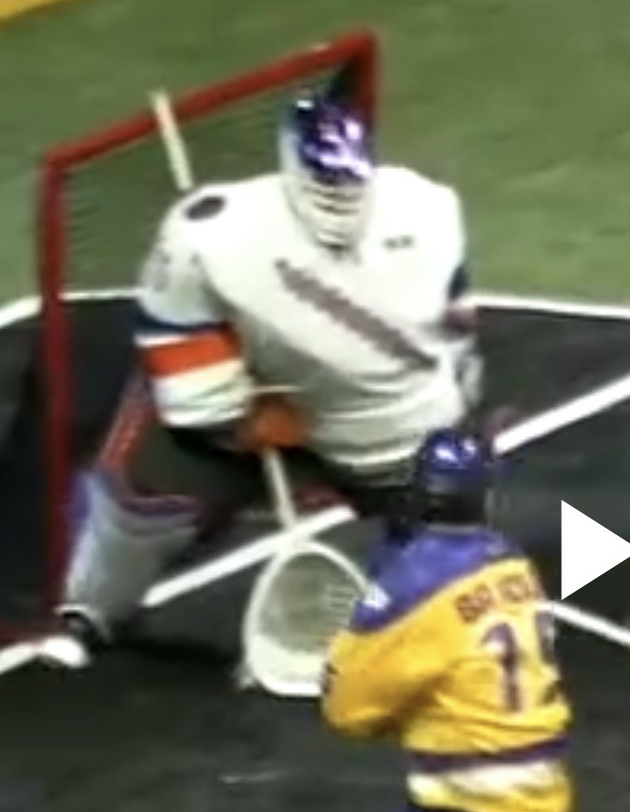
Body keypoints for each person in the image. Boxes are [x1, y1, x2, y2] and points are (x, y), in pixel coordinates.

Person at [38, 93, 482, 670]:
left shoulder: (212, 232)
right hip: (362, 426)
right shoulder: (425, 204)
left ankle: (93, 606)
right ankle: (92, 608)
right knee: (147, 493)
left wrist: (271, 414)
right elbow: (460, 343)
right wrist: (257, 414)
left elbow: (193, 396)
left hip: (369, 432)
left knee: (143, 470)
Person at [303, 428, 572, 812]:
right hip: (539, 788)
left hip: (475, 811)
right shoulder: (512, 562)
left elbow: (346, 713)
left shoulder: (410, 586)